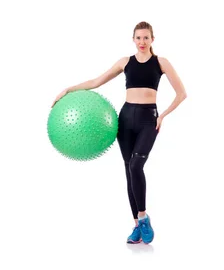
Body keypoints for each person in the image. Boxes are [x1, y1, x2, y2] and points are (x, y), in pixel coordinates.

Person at [52, 21, 187, 244]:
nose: (142, 42)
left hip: (148, 120)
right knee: (128, 171)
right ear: (133, 39)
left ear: (153, 39)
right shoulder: (125, 62)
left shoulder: (161, 63)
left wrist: (162, 115)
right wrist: (68, 89)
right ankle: (136, 225)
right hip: (125, 120)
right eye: (138, 38)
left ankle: (143, 217)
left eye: (146, 38)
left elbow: (181, 93)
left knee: (136, 165)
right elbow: (96, 81)